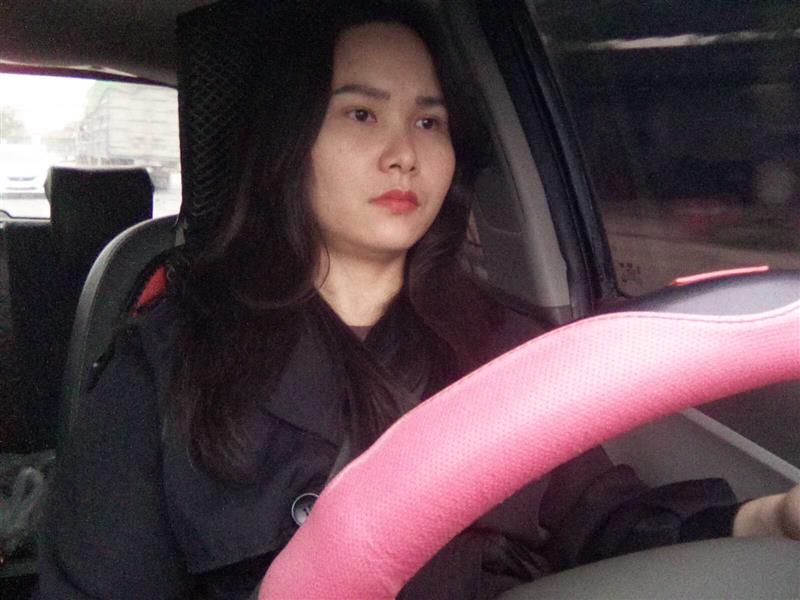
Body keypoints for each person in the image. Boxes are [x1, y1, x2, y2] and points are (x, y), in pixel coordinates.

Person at [37, 1, 800, 599]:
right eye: (361, 113)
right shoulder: (168, 362)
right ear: (289, 143)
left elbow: (604, 526)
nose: (404, 152)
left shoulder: (508, 347)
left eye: (429, 121)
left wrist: (771, 517)